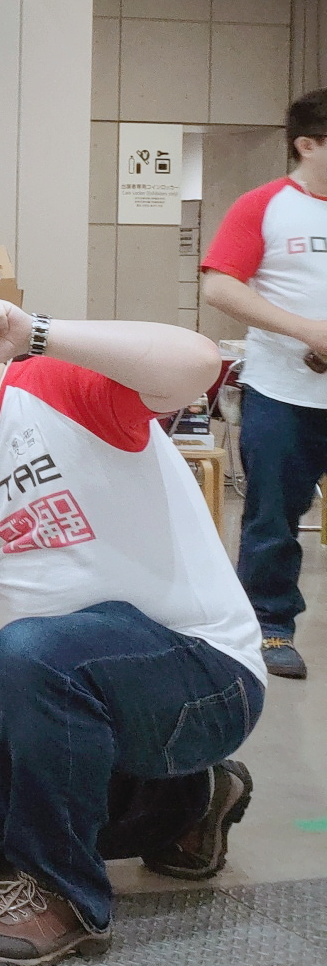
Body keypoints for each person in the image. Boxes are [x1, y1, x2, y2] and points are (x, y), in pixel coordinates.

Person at [0, 293, 265, 966]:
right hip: (54, 684)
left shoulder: (52, 385)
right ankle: (188, 798)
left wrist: (39, 334)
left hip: (198, 674)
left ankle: (65, 895)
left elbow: (198, 362)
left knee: (30, 648)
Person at [200, 87, 327, 680]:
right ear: (308, 144)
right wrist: (307, 330)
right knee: (273, 519)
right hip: (284, 394)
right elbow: (220, 285)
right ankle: (270, 627)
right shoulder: (265, 206)